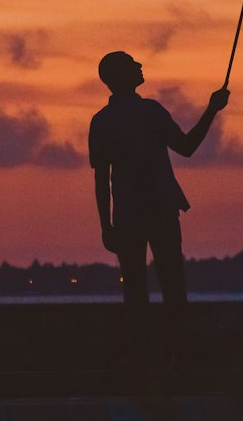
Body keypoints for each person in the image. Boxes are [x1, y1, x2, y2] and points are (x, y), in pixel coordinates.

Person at [88, 50, 229, 362]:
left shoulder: (101, 121)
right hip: (160, 211)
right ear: (121, 76)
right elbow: (187, 147)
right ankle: (179, 356)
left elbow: (102, 181)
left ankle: (141, 357)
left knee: (135, 291)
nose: (140, 65)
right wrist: (212, 109)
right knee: (173, 286)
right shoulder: (150, 112)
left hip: (125, 216)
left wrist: (105, 226)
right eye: (132, 64)